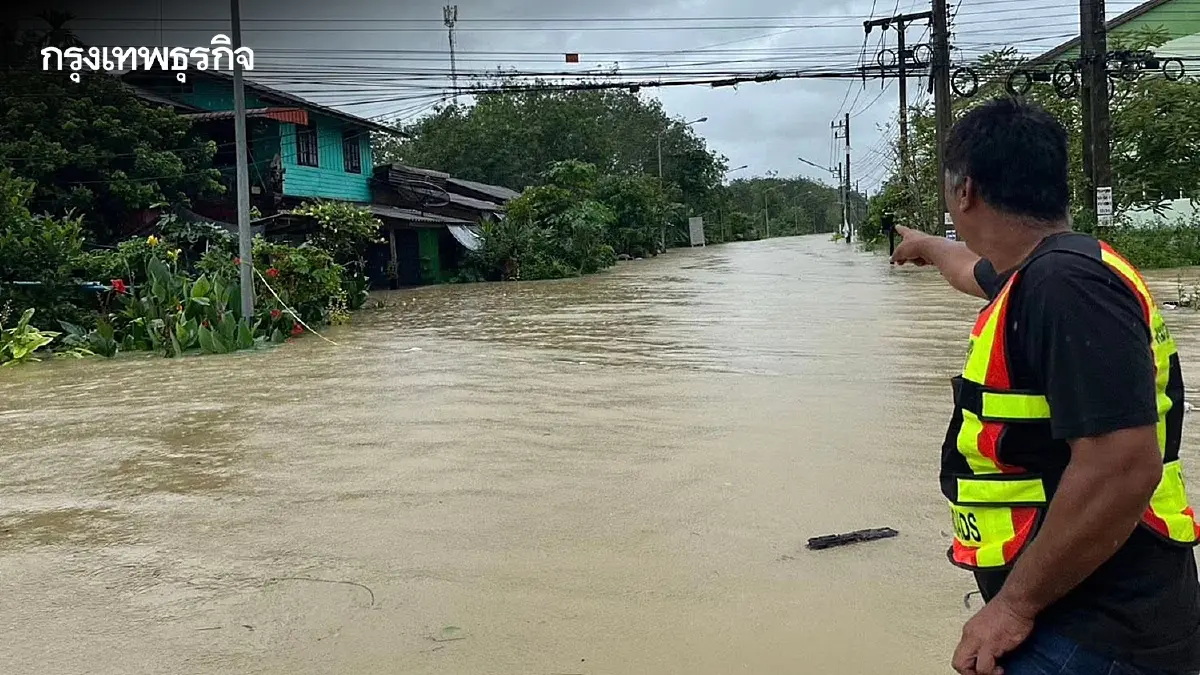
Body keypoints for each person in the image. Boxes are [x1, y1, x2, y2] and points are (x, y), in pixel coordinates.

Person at [890, 97, 1200, 675]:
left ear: (966, 192)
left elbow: (1122, 467)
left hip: (1095, 633)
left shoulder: (1065, 286)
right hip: (1083, 616)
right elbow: (969, 268)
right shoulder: (1045, 271)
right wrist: (927, 246)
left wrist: (1011, 607)